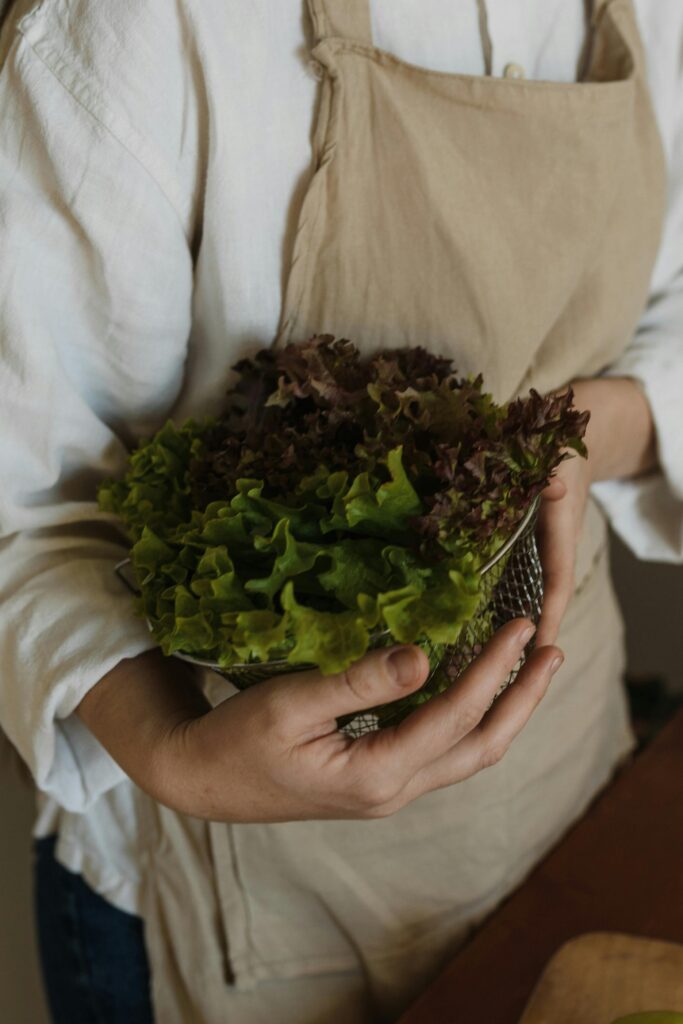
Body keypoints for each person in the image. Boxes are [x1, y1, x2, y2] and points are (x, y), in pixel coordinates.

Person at [0, 1, 681, 1022]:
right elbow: (25, 510)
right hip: (257, 880)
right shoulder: (133, 26)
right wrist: (180, 757)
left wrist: (579, 434)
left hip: (564, 776)